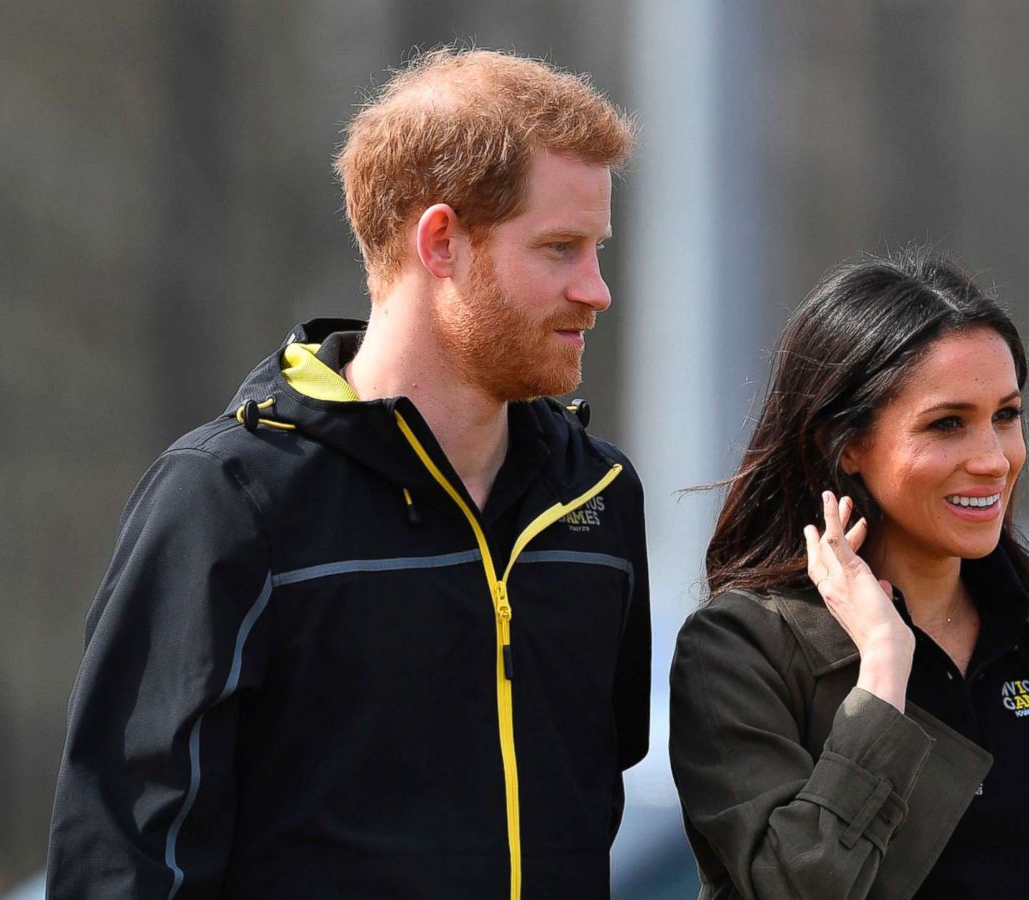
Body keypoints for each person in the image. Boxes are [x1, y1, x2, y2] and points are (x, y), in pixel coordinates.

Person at [47, 48, 650, 899]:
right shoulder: (228, 500)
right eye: (559, 248)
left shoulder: (596, 500)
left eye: (597, 248)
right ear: (441, 241)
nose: (597, 290)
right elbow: (125, 863)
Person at [669, 251, 1029, 900]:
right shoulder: (741, 651)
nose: (993, 459)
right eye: (948, 424)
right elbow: (795, 890)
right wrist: (885, 667)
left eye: (1006, 416)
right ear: (846, 444)